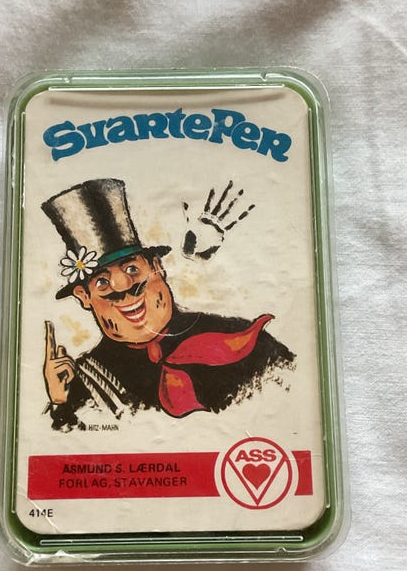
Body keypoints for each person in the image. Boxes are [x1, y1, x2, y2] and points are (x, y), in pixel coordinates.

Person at [42, 178, 294, 431]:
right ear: (83, 296)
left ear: (156, 266)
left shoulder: (244, 339)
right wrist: (61, 403)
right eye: (102, 283)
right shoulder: (82, 384)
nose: (125, 289)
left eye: (132, 269)